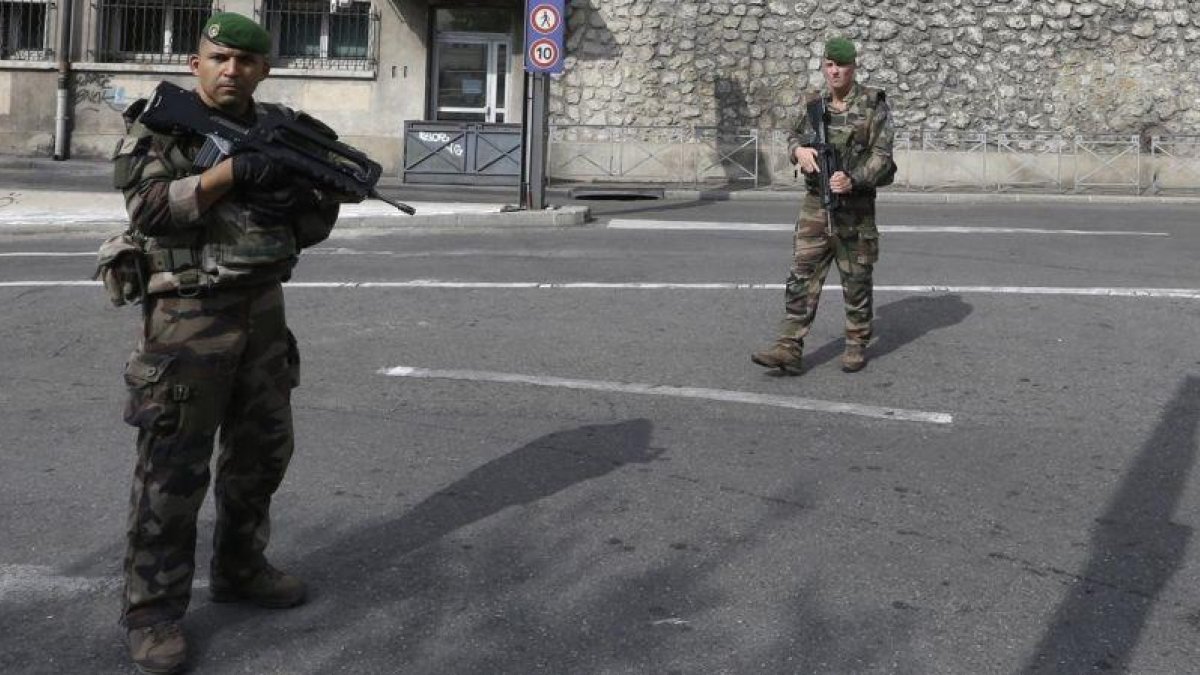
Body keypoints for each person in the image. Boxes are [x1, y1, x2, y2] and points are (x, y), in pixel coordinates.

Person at [112, 12, 342, 674]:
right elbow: (150, 210)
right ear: (196, 63)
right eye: (219, 58)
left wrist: (302, 189)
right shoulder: (162, 127)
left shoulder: (280, 133)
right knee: (172, 472)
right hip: (186, 320)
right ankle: (152, 612)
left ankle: (241, 567)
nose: (232, 70)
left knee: (262, 455)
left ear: (264, 70)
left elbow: (304, 229)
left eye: (246, 62)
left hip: (263, 314)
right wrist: (233, 173)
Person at [751, 36, 896, 375]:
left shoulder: (873, 106)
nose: (834, 72)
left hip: (855, 209)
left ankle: (856, 341)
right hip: (816, 205)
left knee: (856, 279)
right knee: (802, 275)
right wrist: (797, 152)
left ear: (853, 67)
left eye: (841, 65)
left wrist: (854, 179)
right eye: (829, 65)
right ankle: (788, 347)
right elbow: (793, 136)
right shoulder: (815, 106)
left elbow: (883, 159)